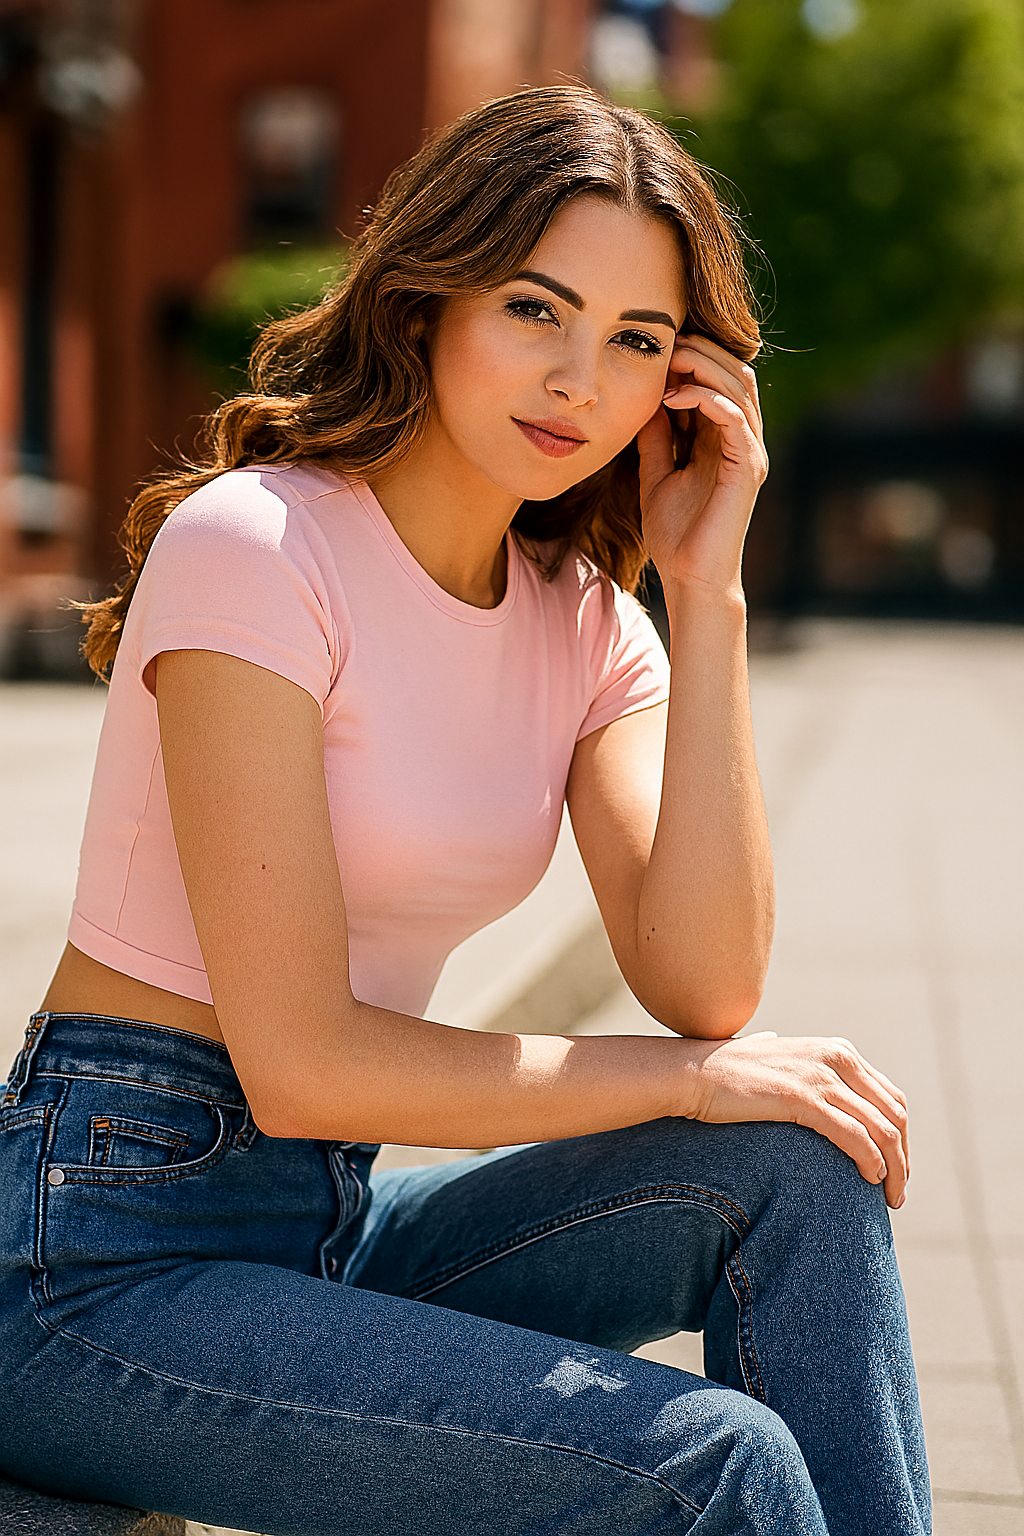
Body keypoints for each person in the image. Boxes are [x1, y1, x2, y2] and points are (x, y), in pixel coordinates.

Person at [0, 87, 929, 1535]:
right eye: (535, 310)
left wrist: (709, 590)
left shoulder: (587, 622)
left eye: (636, 340)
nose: (578, 381)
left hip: (330, 1222)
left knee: (797, 1170)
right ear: (429, 297)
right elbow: (304, 1064)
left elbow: (705, 981)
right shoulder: (261, 546)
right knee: (712, 1459)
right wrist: (687, 1079)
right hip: (98, 1260)